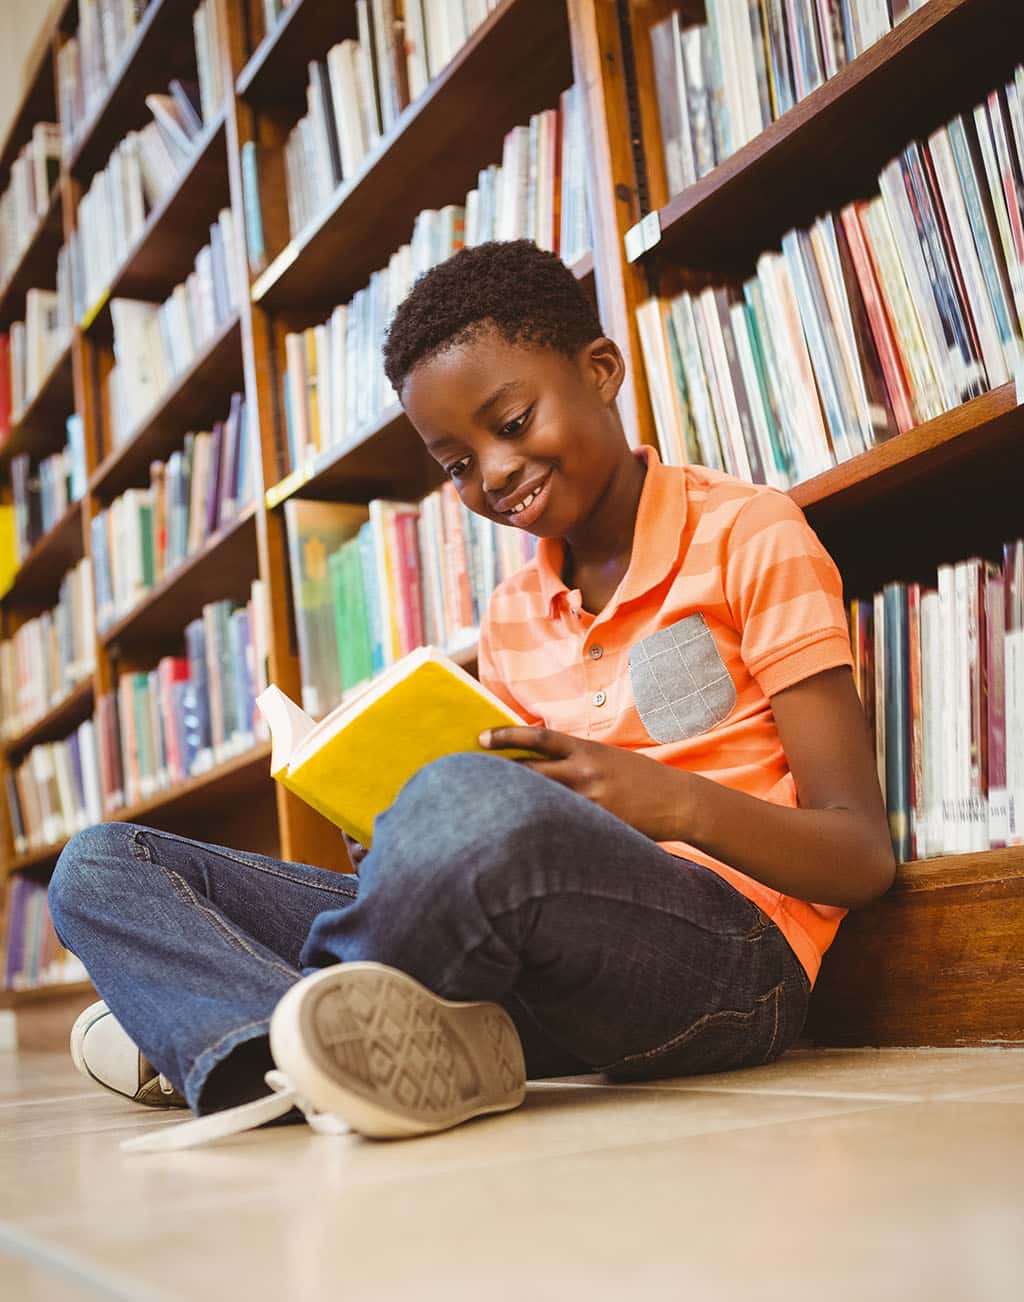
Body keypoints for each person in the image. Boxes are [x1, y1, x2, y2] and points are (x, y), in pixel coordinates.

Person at [49, 240, 895, 1147]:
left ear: (601, 371)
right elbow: (509, 841)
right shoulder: (511, 612)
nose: (492, 473)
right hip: (539, 972)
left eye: (514, 422)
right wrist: (396, 829)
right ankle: (299, 1050)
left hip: (735, 963)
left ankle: (248, 1030)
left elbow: (860, 857)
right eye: (455, 465)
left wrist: (670, 802)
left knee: (469, 804)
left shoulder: (749, 533)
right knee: (101, 864)